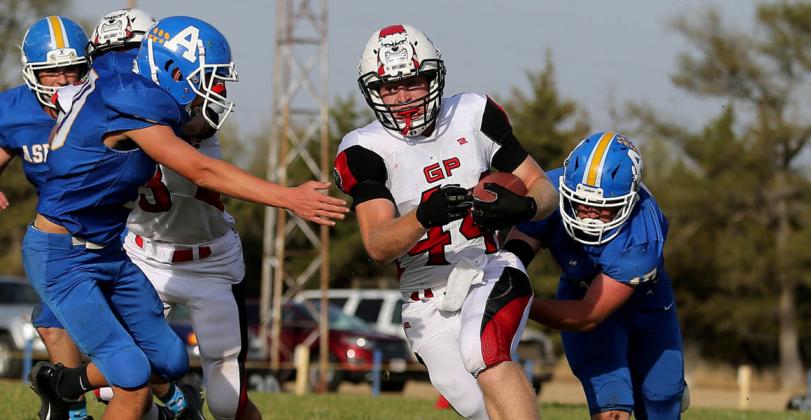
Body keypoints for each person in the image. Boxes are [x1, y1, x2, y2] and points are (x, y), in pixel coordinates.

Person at [24, 15, 347, 420]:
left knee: (173, 362)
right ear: (173, 70)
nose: (215, 91)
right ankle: (64, 386)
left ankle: (65, 383)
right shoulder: (132, 98)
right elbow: (202, 171)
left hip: (112, 250)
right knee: (129, 376)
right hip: (67, 252)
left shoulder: (118, 89)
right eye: (207, 78)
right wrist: (288, 197)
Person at [333, 24, 558, 420]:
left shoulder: (473, 113)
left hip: (486, 268)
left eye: (411, 83)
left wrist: (521, 209)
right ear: (372, 92)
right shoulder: (365, 149)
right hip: (423, 300)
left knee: (483, 351)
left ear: (433, 77)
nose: (401, 97)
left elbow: (544, 190)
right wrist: (423, 215)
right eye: (389, 87)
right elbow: (378, 245)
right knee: (475, 405)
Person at [85, 7, 262, 420]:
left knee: (226, 402)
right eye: (210, 78)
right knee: (120, 389)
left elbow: (193, 136)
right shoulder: (114, 112)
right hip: (144, 257)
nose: (217, 89)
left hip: (211, 261)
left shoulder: (189, 120)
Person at [503, 131, 686, 419]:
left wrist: (521, 303)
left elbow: (588, 314)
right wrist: (503, 279)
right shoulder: (550, 189)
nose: (589, 215)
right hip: (579, 288)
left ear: (630, 199)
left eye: (603, 209)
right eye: (581, 204)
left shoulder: (642, 236)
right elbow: (521, 244)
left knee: (661, 399)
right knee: (611, 401)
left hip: (644, 302)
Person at [0, 15, 92, 420]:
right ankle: (73, 411)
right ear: (32, 71)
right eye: (52, 70)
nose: (64, 79)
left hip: (121, 232)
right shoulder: (13, 110)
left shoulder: (106, 101)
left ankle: (176, 401)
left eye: (73, 68)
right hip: (60, 234)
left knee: (133, 343)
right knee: (52, 323)